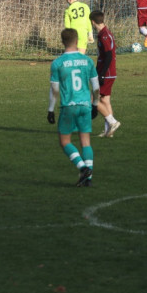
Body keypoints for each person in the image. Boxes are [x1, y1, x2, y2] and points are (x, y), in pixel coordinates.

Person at [46, 28, 101, 186]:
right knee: (86, 142)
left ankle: (83, 168)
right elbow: (96, 87)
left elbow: (55, 90)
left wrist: (50, 110)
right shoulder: (88, 61)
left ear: (62, 42)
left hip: (69, 106)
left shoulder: (58, 63)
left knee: (65, 141)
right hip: (85, 105)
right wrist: (95, 105)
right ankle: (88, 179)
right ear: (77, 41)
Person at [89, 10, 121, 138]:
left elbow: (108, 55)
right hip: (108, 72)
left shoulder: (104, 35)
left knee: (91, 98)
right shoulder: (105, 32)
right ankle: (109, 131)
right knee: (105, 100)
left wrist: (101, 74)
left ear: (92, 22)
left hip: (106, 73)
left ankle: (112, 122)